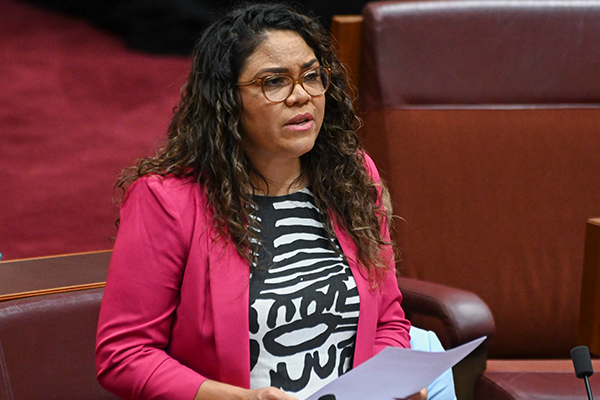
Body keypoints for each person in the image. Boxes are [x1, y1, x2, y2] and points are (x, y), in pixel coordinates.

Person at [95, 3, 440, 400]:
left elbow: (388, 322)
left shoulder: (352, 175)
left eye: (312, 76)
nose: (301, 96)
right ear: (227, 99)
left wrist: (385, 388)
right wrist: (241, 399)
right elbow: (124, 355)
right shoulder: (167, 200)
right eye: (274, 82)